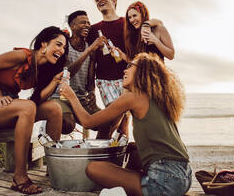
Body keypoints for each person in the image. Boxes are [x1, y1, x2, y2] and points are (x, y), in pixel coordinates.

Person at [59, 52, 192, 196]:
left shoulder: (134, 96)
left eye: (130, 66)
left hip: (165, 180)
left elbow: (87, 121)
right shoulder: (159, 99)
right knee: (134, 151)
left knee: (93, 168)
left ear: (142, 71)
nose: (124, 70)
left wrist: (71, 95)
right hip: (184, 176)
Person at [0, 26, 69, 195]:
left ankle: (53, 168)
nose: (61, 50)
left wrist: (54, 81)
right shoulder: (22, 55)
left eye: (64, 48)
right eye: (58, 44)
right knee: (28, 107)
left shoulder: (43, 69)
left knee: (54, 108)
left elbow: (37, 99)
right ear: (44, 43)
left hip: (10, 106)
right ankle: (19, 176)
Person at [50, 10, 110, 138]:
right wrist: (89, 50)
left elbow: (90, 77)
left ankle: (95, 155)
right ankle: (48, 127)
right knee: (67, 125)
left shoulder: (91, 49)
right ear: (72, 26)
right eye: (83, 22)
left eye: (88, 22)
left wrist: (92, 92)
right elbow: (66, 73)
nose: (87, 25)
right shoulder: (64, 46)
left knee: (106, 123)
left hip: (81, 99)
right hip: (61, 97)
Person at [87, 0, 128, 137]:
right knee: (113, 116)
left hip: (127, 78)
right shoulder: (94, 30)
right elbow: (91, 60)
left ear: (114, 1)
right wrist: (90, 87)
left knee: (124, 123)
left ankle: (116, 157)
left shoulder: (126, 24)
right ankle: (99, 149)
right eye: (97, 0)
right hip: (105, 80)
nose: (100, 0)